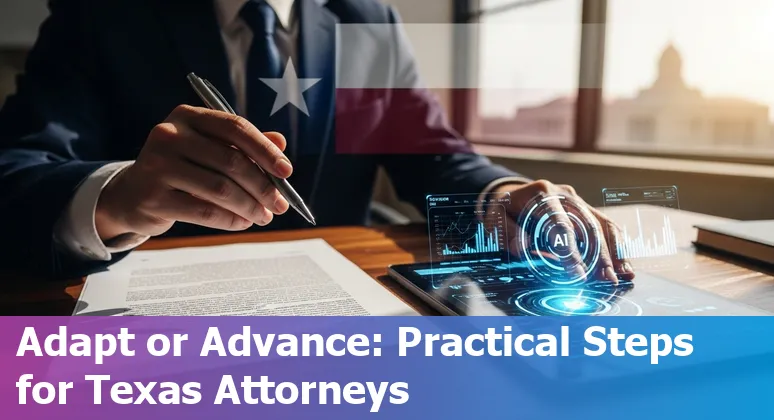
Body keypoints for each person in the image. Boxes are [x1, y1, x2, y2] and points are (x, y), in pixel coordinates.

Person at [0, 0, 633, 282]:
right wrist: (118, 198)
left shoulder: (368, 20)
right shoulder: (104, 12)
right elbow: (18, 167)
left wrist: (505, 192)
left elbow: (434, 156)